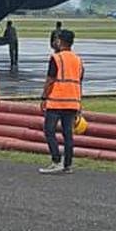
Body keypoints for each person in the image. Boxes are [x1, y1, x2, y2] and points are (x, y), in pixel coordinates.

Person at [39, 29, 83, 175]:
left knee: (49, 130)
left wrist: (44, 97)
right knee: (68, 134)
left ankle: (56, 160)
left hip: (56, 101)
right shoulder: (78, 59)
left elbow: (50, 80)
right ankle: (68, 164)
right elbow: (79, 81)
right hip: (73, 102)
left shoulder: (56, 58)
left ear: (60, 41)